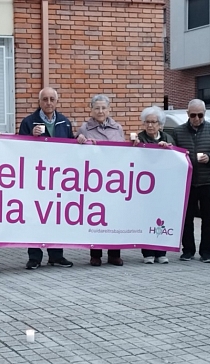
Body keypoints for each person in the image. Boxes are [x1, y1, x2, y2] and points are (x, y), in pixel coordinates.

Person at [18, 87, 74, 270]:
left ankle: (56, 255)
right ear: (39, 102)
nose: (49, 103)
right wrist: (30, 137)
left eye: (52, 99)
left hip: (58, 179)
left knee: (56, 216)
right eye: (45, 99)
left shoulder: (64, 122)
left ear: (57, 102)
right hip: (36, 178)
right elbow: (17, 148)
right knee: (35, 216)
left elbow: (72, 148)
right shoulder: (28, 122)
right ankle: (34, 256)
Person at [172, 99, 210, 263]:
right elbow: (173, 153)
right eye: (193, 115)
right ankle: (188, 250)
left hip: (209, 181)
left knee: (209, 218)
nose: (196, 118)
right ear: (187, 114)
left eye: (200, 115)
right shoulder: (178, 131)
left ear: (205, 114)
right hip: (187, 182)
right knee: (186, 218)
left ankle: (207, 252)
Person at [76, 94, 125, 266]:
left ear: (109, 109)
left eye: (104, 108)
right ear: (91, 109)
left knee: (113, 216)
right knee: (96, 216)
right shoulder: (84, 129)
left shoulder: (117, 128)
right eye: (97, 108)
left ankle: (114, 254)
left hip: (114, 179)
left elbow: (124, 153)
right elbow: (77, 154)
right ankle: (95, 254)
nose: (101, 111)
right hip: (94, 180)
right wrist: (79, 141)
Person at [135, 106, 174, 264]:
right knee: (147, 218)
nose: (150, 125)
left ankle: (161, 252)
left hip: (163, 186)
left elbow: (176, 157)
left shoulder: (168, 138)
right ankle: (148, 253)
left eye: (153, 122)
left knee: (162, 217)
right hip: (145, 186)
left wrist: (169, 149)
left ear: (160, 124)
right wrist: (134, 146)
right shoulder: (139, 138)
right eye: (147, 122)